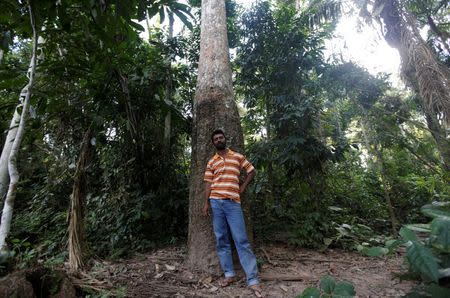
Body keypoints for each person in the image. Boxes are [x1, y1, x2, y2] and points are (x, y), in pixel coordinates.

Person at [202, 129, 263, 297]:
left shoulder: (237, 156)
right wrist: (206, 203)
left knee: (241, 240)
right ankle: (229, 275)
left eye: (221, 137)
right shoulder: (212, 161)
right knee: (221, 239)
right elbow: (208, 183)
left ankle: (252, 279)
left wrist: (242, 187)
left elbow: (251, 170)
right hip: (215, 203)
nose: (219, 140)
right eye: (216, 138)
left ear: (225, 139)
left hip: (233, 203)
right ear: (213, 143)